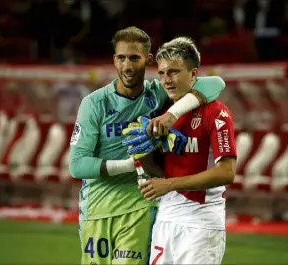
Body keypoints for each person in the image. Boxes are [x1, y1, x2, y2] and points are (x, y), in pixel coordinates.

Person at [69, 26, 225, 265]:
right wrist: (131, 164)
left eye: (134, 58)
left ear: (148, 60)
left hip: (141, 206)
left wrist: (170, 115)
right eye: (121, 58)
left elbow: (215, 83)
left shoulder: (158, 93)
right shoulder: (94, 103)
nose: (127, 66)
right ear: (114, 60)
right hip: (97, 209)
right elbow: (77, 166)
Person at [137, 37, 237, 264]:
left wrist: (169, 184)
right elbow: (163, 171)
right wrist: (142, 153)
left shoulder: (216, 112)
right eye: (161, 73)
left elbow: (227, 173)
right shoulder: (160, 114)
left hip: (201, 222)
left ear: (193, 74)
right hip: (166, 217)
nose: (166, 80)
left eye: (174, 72)